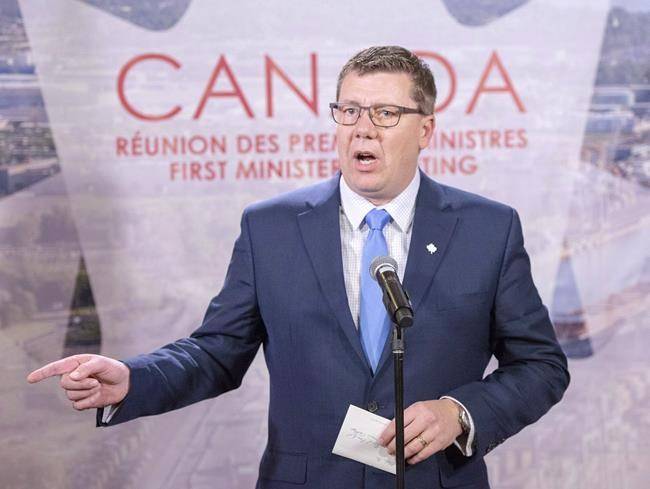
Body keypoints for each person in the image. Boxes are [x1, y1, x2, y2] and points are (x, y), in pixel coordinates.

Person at [27, 46, 569, 488]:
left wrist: (459, 411)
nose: (363, 128)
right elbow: (217, 351)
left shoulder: (486, 229)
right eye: (349, 110)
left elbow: (542, 365)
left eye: (385, 113)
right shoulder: (272, 228)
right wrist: (133, 379)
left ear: (425, 129)